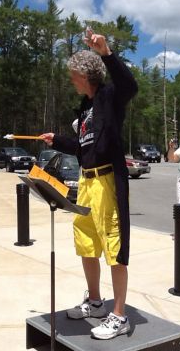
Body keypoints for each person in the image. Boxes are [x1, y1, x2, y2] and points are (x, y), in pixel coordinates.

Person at [40, 28, 138, 340]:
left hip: (108, 181)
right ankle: (95, 301)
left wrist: (106, 52)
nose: (71, 81)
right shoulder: (85, 108)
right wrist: (58, 140)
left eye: (73, 76)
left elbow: (130, 85)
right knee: (87, 244)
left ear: (85, 74)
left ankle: (119, 315)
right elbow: (84, 149)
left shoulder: (109, 96)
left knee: (114, 247)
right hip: (85, 182)